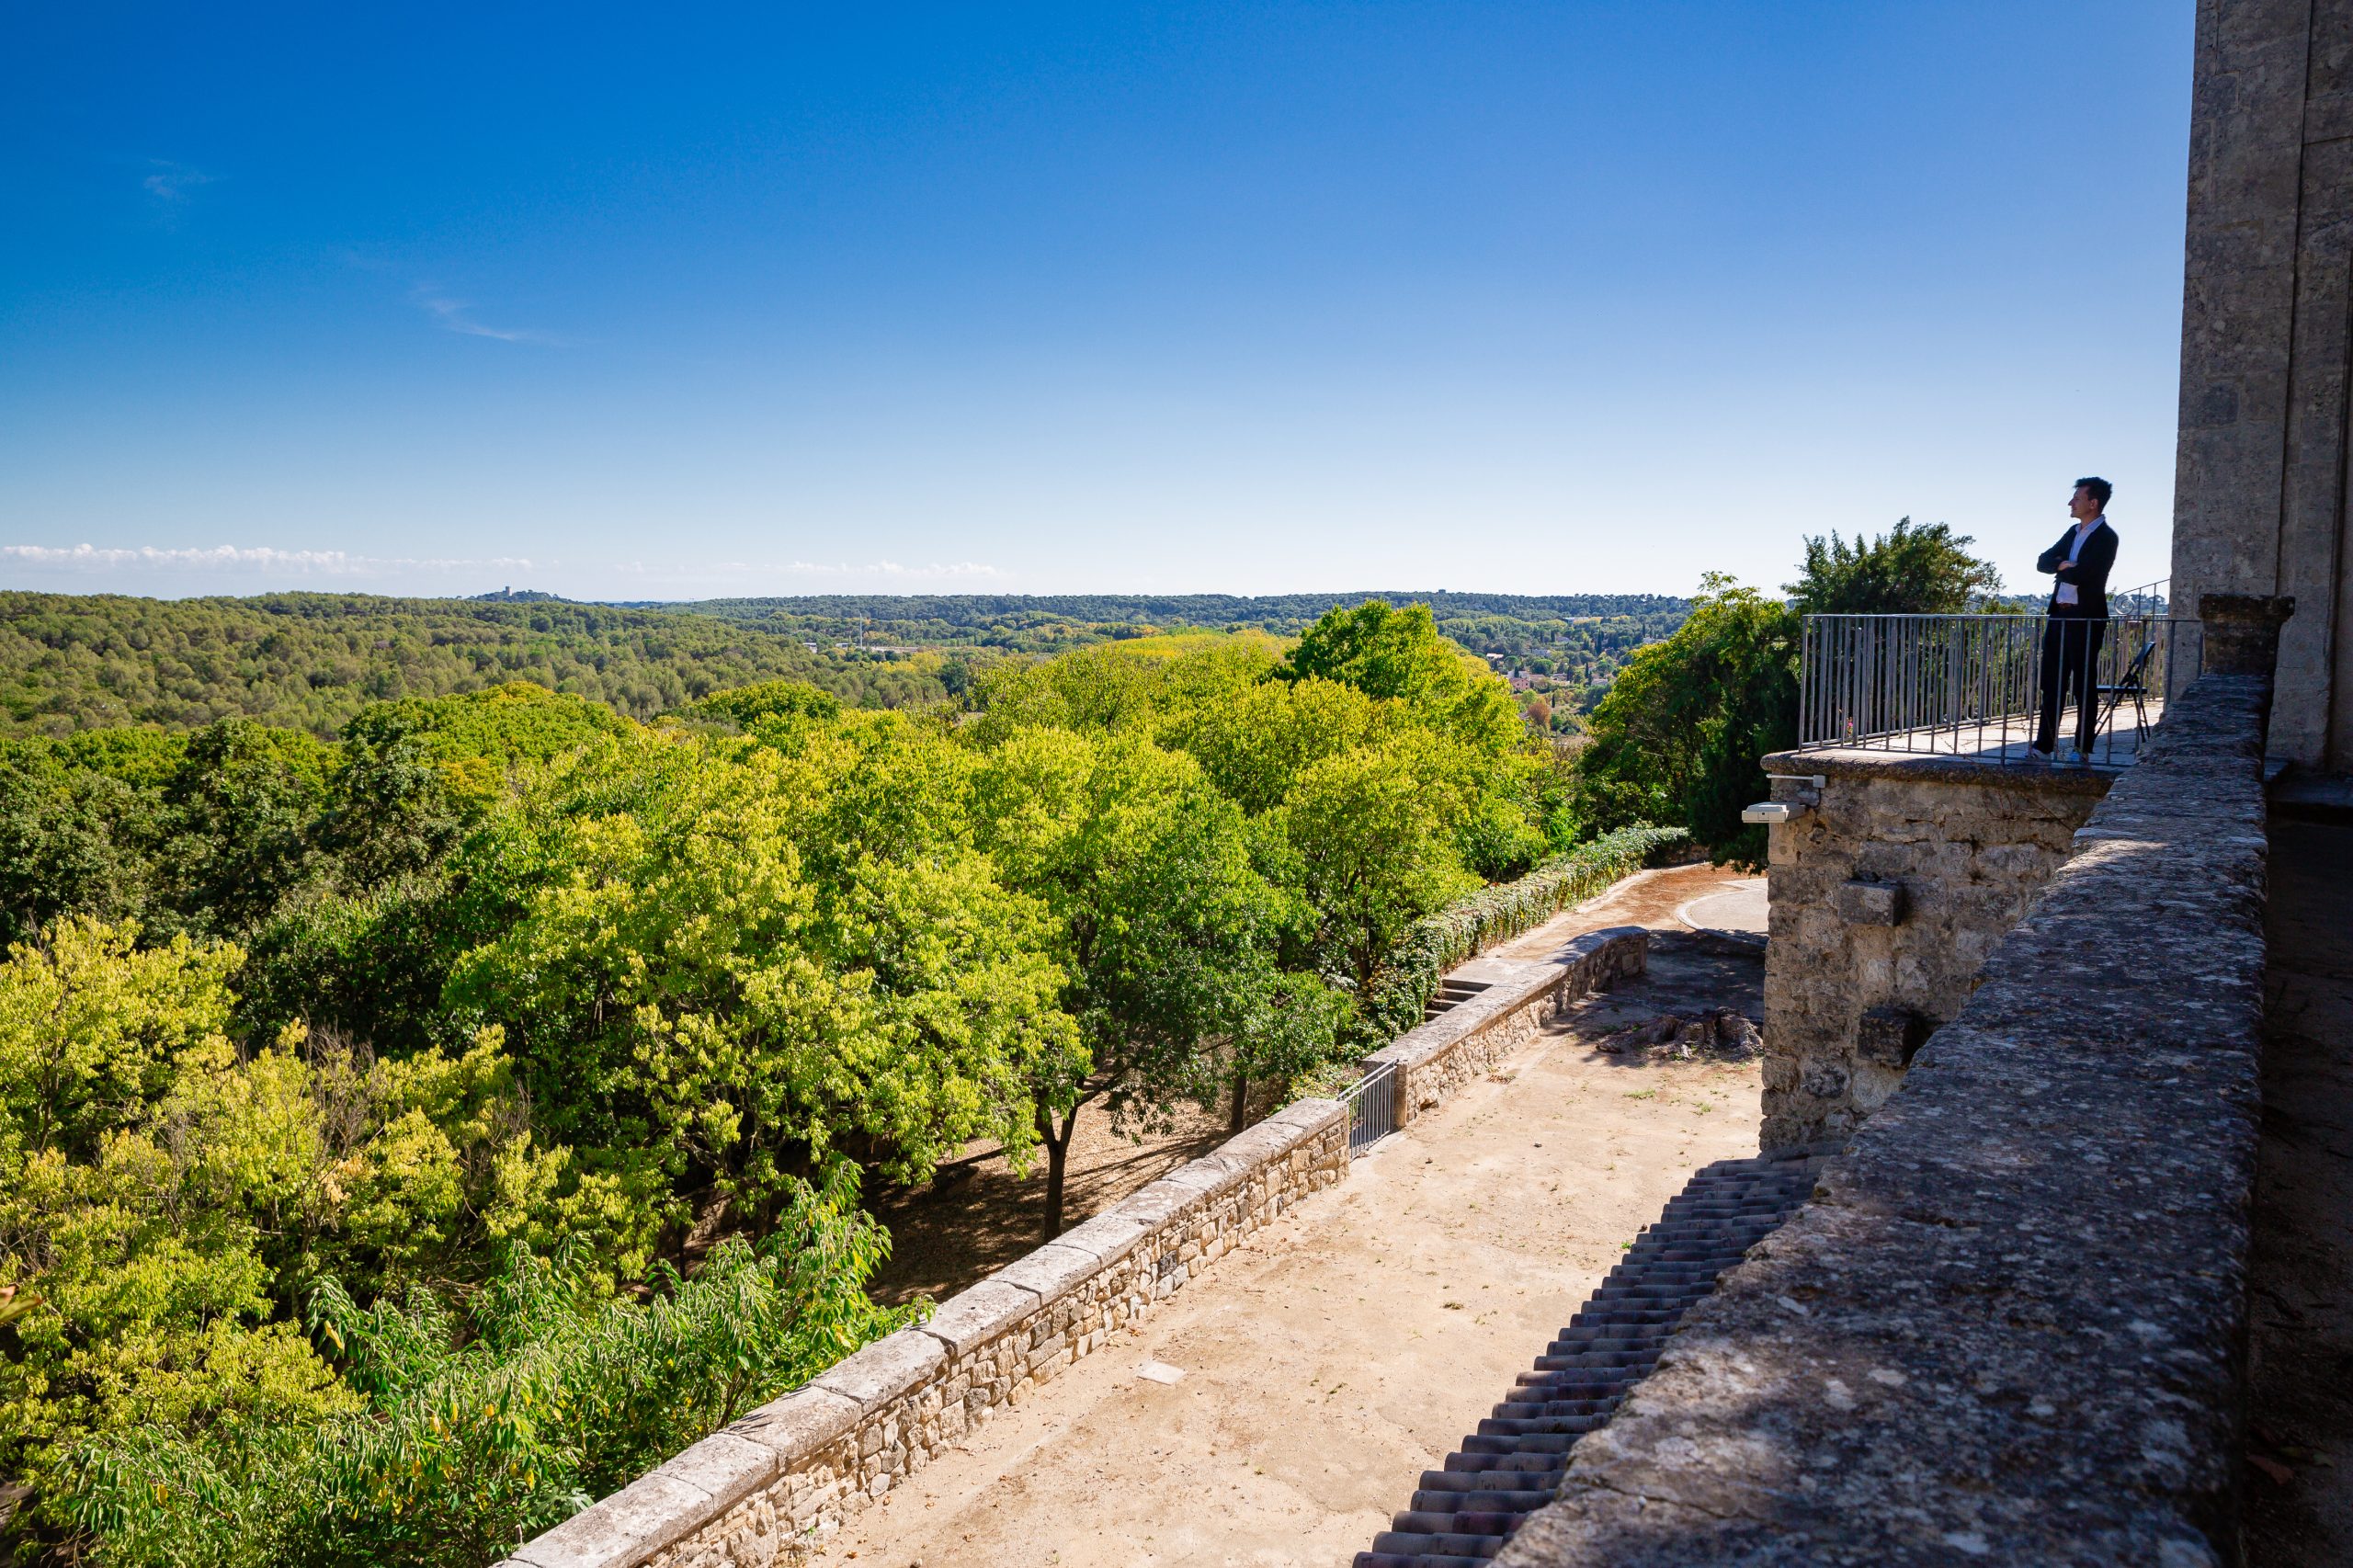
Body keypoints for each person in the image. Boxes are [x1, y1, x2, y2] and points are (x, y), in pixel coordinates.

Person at [2031, 476, 2120, 759]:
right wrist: (2063, 564)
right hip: (2059, 615)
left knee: (2083, 684)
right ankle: (2043, 746)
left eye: (2077, 498)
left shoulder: (2107, 537)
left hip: (2086, 619)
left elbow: (2086, 574)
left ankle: (2082, 747)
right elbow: (2042, 561)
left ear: (2092, 503)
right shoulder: (2072, 532)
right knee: (2051, 682)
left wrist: (2065, 568)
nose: (2071, 502)